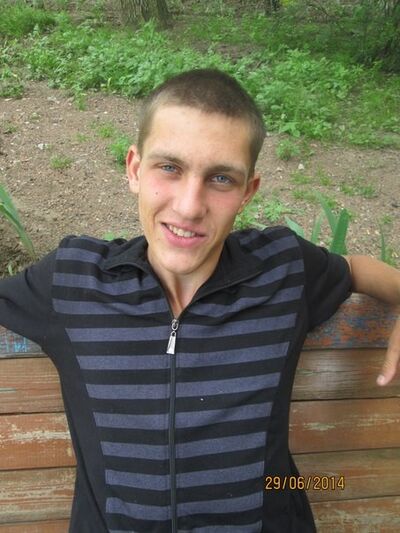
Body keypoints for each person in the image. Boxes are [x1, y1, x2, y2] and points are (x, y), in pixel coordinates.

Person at [0, 68, 399, 533]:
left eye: (221, 178)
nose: (190, 206)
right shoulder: (74, 279)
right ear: (134, 168)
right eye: (169, 167)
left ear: (248, 191)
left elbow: (357, 268)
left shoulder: (283, 270)